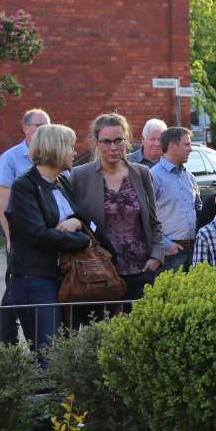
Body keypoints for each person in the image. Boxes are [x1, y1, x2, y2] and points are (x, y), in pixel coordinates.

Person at [5, 123, 95, 360]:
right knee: (49, 355)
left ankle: (67, 398)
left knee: (68, 351)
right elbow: (36, 234)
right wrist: (81, 240)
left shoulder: (62, 182)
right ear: (54, 149)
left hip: (66, 277)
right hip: (35, 280)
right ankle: (50, 398)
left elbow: (83, 216)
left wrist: (75, 223)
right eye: (70, 147)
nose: (74, 153)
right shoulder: (24, 186)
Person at [69, 113, 164, 306]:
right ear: (96, 143)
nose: (113, 148)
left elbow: (153, 221)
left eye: (118, 140)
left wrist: (156, 256)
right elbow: (73, 217)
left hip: (140, 269)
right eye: (106, 142)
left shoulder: (141, 173)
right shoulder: (80, 176)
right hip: (100, 272)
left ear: (126, 140)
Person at [0, 108, 50, 348]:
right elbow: (4, 205)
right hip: (22, 240)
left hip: (47, 239)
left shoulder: (53, 156)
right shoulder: (11, 158)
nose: (43, 131)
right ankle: (7, 342)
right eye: (38, 126)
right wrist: (10, 238)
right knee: (15, 293)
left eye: (47, 126)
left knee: (22, 294)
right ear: (25, 128)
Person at [150, 126, 200, 271]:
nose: (190, 149)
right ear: (172, 146)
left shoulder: (189, 177)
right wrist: (166, 244)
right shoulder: (154, 176)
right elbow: (145, 217)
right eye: (187, 144)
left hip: (193, 251)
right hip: (169, 254)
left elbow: (198, 210)